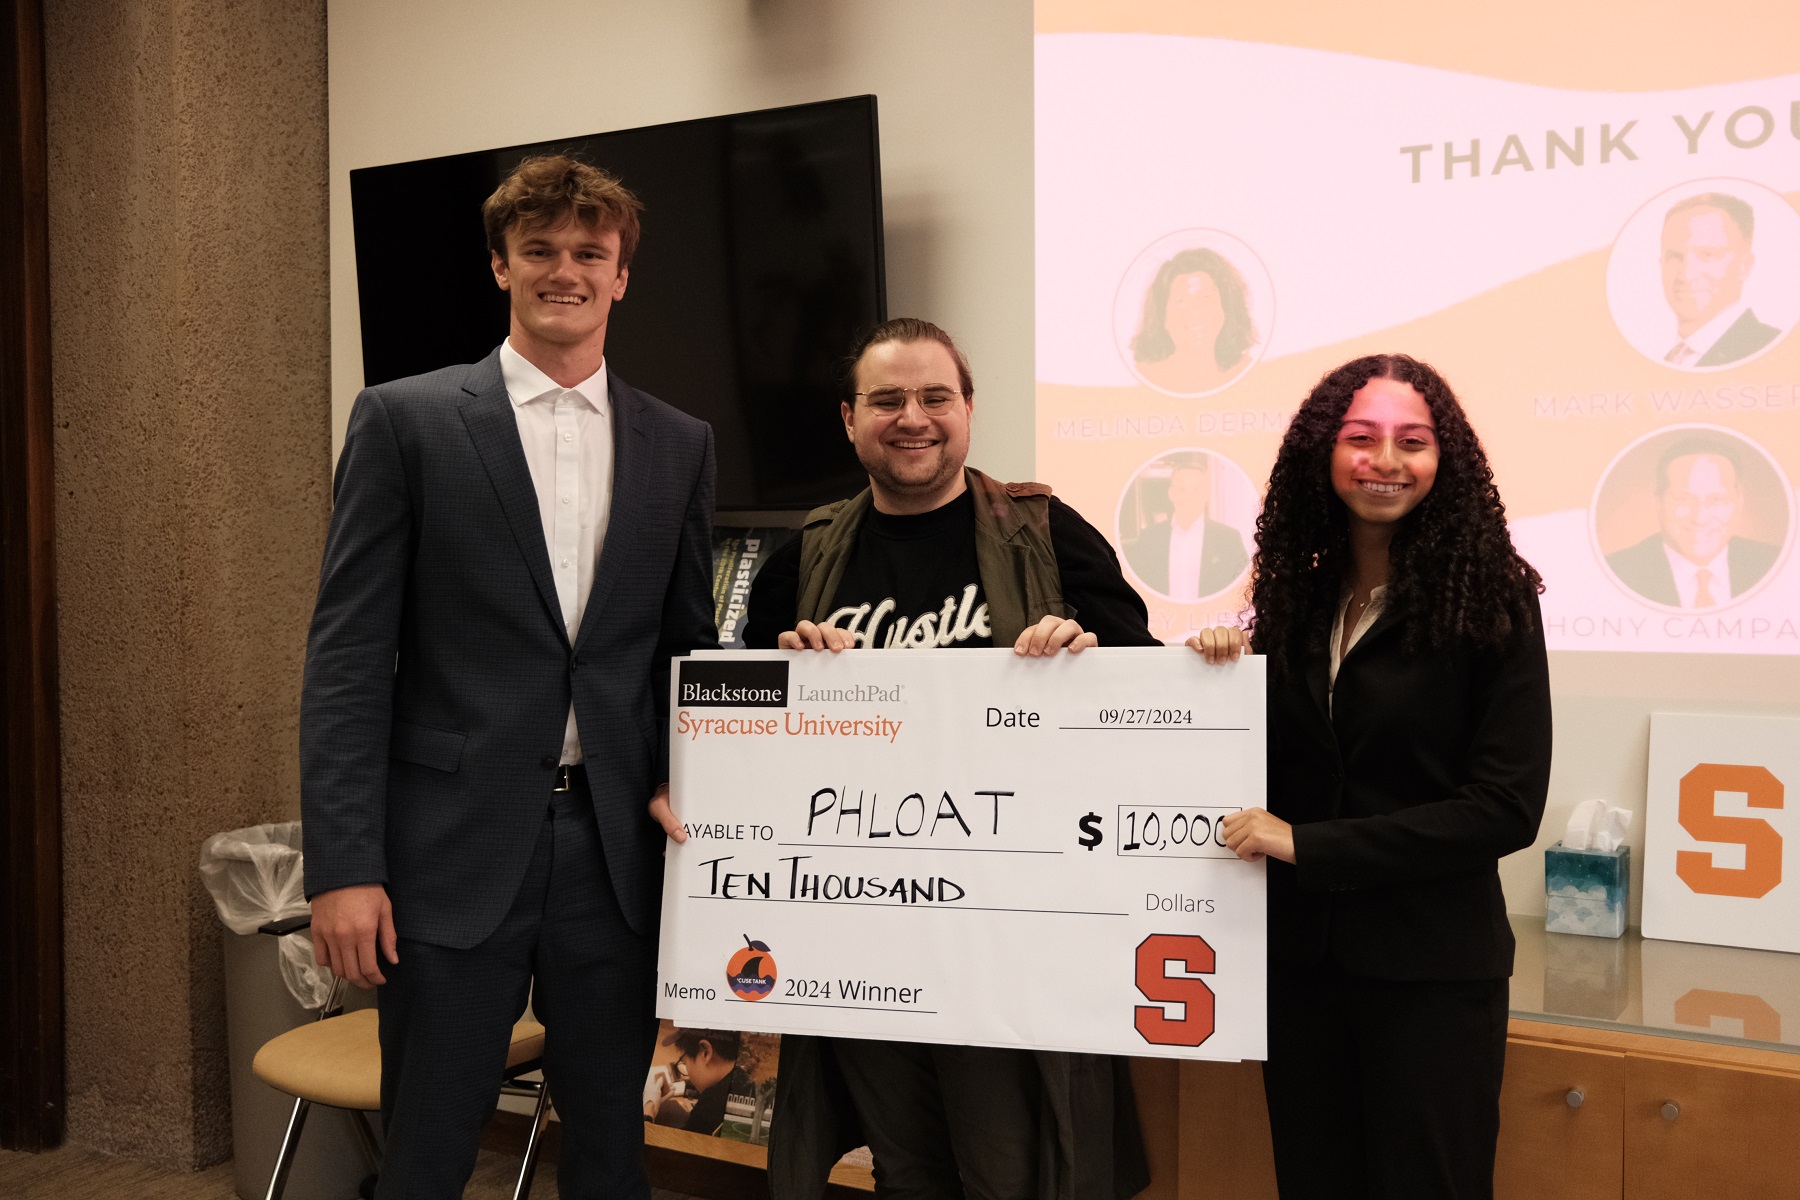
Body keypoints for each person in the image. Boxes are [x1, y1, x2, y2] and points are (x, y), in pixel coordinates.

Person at [300, 154, 718, 1199]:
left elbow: (685, 651)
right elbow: (348, 659)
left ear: (623, 274)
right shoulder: (406, 421)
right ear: (501, 266)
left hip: (614, 857)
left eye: (591, 252)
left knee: (613, 1157)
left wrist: (695, 782)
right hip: (448, 852)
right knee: (432, 1149)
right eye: (540, 250)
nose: (564, 270)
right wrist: (343, 866)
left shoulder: (681, 443)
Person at [716, 317, 1154, 1199]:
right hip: (861, 930)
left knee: (1012, 1167)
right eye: (886, 399)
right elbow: (733, 742)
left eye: (933, 397)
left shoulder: (1046, 535)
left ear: (967, 411)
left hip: (1008, 934)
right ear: (850, 419)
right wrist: (782, 682)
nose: (911, 417)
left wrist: (1087, 657)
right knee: (905, 1165)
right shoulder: (803, 559)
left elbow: (1152, 705)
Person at [1190, 354, 1550, 1199]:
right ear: (1323, 453)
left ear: (1445, 461)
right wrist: (1209, 674)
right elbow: (1267, 765)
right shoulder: (1296, 602)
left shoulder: (1494, 598)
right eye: (1360, 438)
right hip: (1302, 974)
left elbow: (1503, 809)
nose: (1385, 460)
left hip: (1430, 975)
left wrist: (1307, 845)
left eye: (1412, 442)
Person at [1605, 434, 1782, 607]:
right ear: (1659, 502)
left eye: (1717, 499)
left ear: (1739, 502)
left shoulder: (1778, 565)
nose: (1700, 518)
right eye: (1683, 499)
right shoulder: (1615, 573)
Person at [1658, 192, 1781, 368]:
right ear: (1661, 264)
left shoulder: (1774, 350)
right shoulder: (1655, 361)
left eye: (1707, 255)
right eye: (1675, 257)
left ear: (1744, 266)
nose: (1686, 273)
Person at [1122, 451, 1250, 601]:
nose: (1189, 497)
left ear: (1206, 495)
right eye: (1182, 490)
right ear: (1171, 494)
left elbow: (1243, 588)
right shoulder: (1149, 538)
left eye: (1196, 490)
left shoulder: (1229, 538)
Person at [1130, 247, 1259, 394]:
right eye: (1181, 301)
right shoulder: (1145, 381)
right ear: (1162, 317)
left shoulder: (1251, 375)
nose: (1196, 310)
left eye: (1206, 297)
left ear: (1226, 308)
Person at [646, 1028, 753, 1137]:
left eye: (684, 1062)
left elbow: (668, 1152)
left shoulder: (712, 1102)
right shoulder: (743, 1079)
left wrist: (648, 1108)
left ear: (705, 1052)